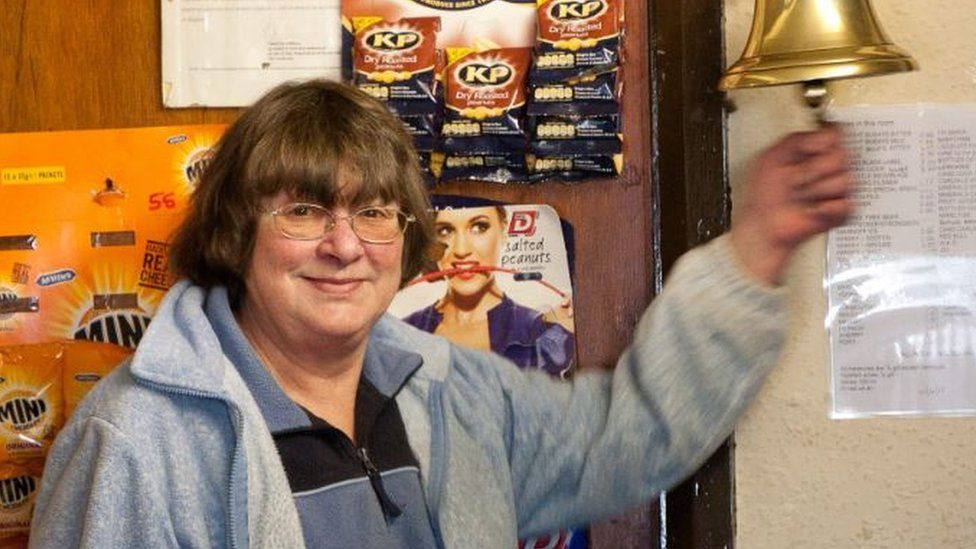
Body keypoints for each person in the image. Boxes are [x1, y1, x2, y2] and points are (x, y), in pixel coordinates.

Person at [29, 79, 853, 548]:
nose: (345, 246)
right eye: (305, 211)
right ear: (237, 233)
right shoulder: (138, 441)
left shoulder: (450, 393)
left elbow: (629, 437)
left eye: (376, 213)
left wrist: (756, 246)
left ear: (408, 238)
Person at [403, 205, 575, 377]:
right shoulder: (403, 330)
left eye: (479, 227)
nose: (462, 250)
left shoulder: (541, 332)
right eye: (445, 231)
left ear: (503, 231)